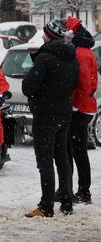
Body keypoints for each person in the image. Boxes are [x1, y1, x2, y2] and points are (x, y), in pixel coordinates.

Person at [22, 19, 79, 217]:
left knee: (45, 161)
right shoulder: (72, 57)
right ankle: (66, 202)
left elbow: (28, 87)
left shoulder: (44, 58)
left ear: (51, 35)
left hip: (45, 115)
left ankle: (46, 206)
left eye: (45, 32)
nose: (42, 35)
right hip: (64, 113)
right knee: (62, 158)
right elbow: (74, 83)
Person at [58, 16, 98, 204]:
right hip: (84, 107)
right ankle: (79, 190)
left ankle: (79, 191)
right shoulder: (85, 52)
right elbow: (91, 84)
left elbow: (83, 85)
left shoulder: (80, 53)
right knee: (77, 151)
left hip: (79, 109)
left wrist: (73, 107)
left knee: (74, 151)